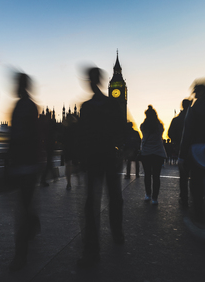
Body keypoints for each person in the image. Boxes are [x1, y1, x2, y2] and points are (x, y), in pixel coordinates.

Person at [77, 67, 124, 267]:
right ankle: (117, 233)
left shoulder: (87, 107)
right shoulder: (113, 104)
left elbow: (82, 135)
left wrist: (81, 158)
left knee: (91, 204)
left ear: (90, 81)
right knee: (114, 197)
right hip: (110, 157)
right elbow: (121, 129)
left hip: (94, 159)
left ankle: (92, 250)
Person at [6, 72, 42, 271]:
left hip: (25, 163)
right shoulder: (26, 105)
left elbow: (21, 135)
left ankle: (20, 256)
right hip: (26, 162)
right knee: (25, 205)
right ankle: (33, 223)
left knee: (21, 208)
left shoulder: (23, 106)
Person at [179, 80, 205, 225]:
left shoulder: (193, 110)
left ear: (201, 93)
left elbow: (187, 134)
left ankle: (199, 214)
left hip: (196, 151)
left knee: (196, 183)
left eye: (195, 91)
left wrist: (182, 156)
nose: (193, 94)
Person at [140, 105, 167, 205]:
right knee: (156, 176)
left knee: (147, 175)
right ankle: (155, 197)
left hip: (146, 152)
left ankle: (148, 194)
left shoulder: (143, 126)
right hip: (158, 152)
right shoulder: (159, 126)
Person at [168, 99, 191, 206]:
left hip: (182, 149)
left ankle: (184, 197)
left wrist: (177, 141)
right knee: (196, 175)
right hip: (195, 150)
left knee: (183, 176)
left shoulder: (177, 120)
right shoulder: (195, 118)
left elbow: (170, 133)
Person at [62, 113, 80, 190]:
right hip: (74, 148)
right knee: (75, 165)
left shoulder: (65, 128)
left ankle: (69, 183)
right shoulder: (76, 127)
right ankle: (78, 179)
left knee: (68, 165)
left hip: (67, 148)